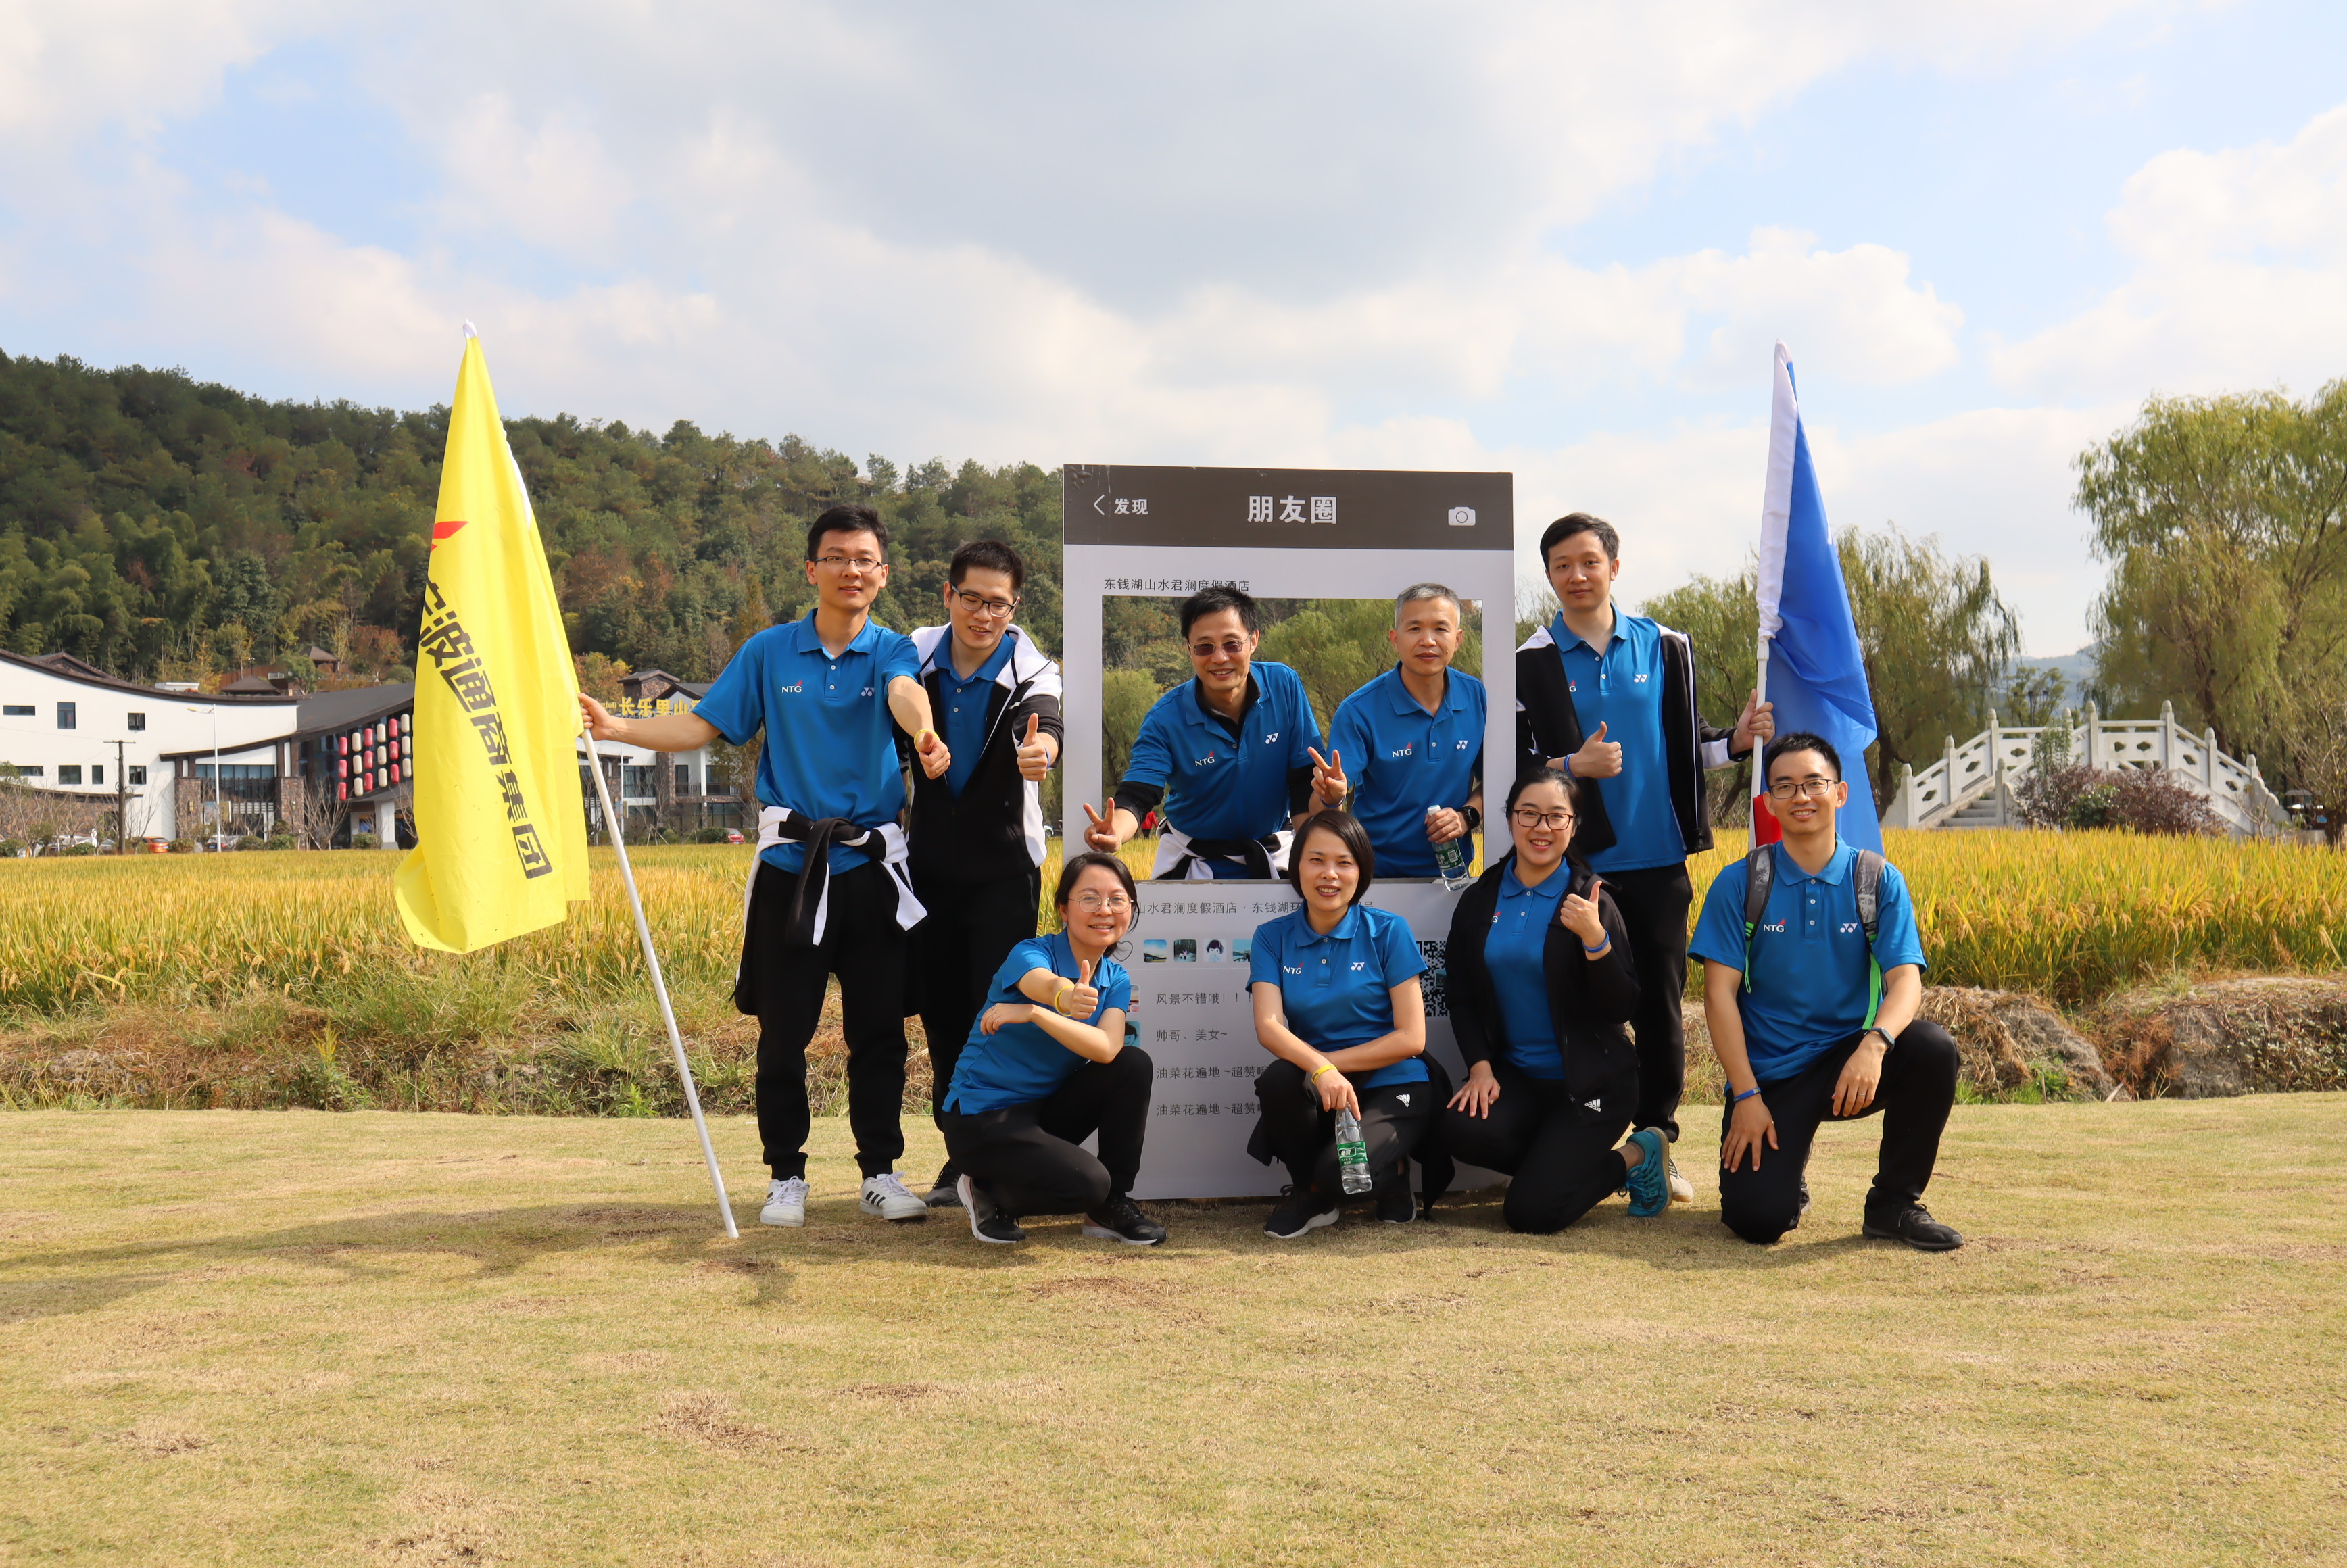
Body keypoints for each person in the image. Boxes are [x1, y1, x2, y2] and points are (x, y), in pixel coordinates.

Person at [579, 502, 947, 1230]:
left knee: (880, 1033)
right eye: (836, 557)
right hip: (791, 868)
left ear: (883, 574)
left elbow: (905, 695)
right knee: (783, 1035)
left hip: (872, 871)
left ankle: (879, 1172)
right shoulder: (769, 652)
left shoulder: (892, 650)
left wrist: (926, 731)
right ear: (811, 569)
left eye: (864, 559)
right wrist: (617, 726)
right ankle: (786, 1175)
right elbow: (703, 725)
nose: (850, 570)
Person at [1515, 512, 1775, 1204]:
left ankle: (1656, 1138)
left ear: (1614, 567)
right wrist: (1572, 765)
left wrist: (1737, 741)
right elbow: (1511, 764)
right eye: (1562, 565)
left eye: (1588, 562)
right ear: (1548, 575)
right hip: (1578, 867)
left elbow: (1687, 745)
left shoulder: (1665, 645)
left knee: (1659, 1006)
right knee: (1587, 1003)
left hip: (1658, 860)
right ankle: (1583, 1136)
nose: (1576, 576)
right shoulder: (1528, 660)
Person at [1689, 733, 1962, 1250]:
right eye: (1785, 786)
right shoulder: (1741, 883)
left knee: (1932, 1049)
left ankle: (1894, 1205)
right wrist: (1745, 1095)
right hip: (1771, 1075)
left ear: (1840, 793)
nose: (1801, 797)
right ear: (1770, 801)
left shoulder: (1876, 879)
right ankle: (1787, 1174)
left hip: (1848, 1060)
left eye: (1814, 783)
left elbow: (1906, 980)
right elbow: (1718, 996)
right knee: (1757, 1221)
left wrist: (1875, 1045)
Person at [899, 540, 1063, 1207]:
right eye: (972, 599)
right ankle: (958, 1158)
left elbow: (1047, 725)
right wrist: (921, 735)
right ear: (948, 595)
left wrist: (1040, 752)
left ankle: (1001, 1155)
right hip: (929, 871)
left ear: (1014, 606)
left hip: (1004, 873)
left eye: (999, 603)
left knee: (998, 1016)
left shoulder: (1034, 669)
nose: (984, 615)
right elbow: (897, 692)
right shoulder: (915, 651)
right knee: (941, 1020)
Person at [1437, 770, 1671, 1231]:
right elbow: (1461, 995)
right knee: (1458, 1128)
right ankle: (1553, 1168)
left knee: (1531, 1213)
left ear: (1574, 825)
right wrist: (1480, 1067)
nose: (1541, 828)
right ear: (1509, 819)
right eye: (1529, 814)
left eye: (1556, 816)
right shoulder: (1481, 899)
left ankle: (1636, 1154)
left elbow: (1622, 1007)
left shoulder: (1591, 900)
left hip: (1593, 1083)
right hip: (1521, 1080)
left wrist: (1596, 941)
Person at [942, 852, 1165, 1246]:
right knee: (1089, 1183)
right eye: (1089, 898)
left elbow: (1107, 1049)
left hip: (1042, 1112)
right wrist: (1063, 999)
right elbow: (1044, 984)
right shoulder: (1030, 953)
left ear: (1131, 909)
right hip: (983, 1118)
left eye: (1117, 899)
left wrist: (1034, 1014)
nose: (1105, 910)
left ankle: (1111, 1205)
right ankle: (987, 1189)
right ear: (1063, 908)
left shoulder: (1116, 978)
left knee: (1133, 1064)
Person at [1245, 810, 1434, 1238]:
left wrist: (1327, 1064)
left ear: (1361, 871)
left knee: (1340, 1175)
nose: (1329, 874)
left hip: (1393, 1082)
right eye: (1316, 860)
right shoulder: (1271, 937)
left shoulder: (1389, 931)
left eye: (1344, 862)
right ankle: (1309, 1194)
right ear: (1297, 867)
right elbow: (1269, 1026)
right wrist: (1321, 1069)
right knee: (1279, 1079)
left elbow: (1412, 1038)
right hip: (1323, 1084)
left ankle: (1394, 1175)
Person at [1082, 585, 1336, 879]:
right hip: (1193, 861)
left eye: (1232, 644)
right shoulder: (1165, 718)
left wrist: (1314, 852)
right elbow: (1138, 794)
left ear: (1253, 640)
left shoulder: (1284, 685)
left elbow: (1304, 782)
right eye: (1205, 647)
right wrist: (1115, 832)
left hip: (1272, 854)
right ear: (1188, 649)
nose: (1219, 658)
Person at [1323, 583, 1486, 879]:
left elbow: (1499, 781)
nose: (1428, 640)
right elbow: (1325, 805)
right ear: (1395, 639)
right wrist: (1332, 798)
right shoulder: (1359, 710)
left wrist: (1467, 816)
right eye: (1415, 629)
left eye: (1441, 628)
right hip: (1375, 877)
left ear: (1458, 639)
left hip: (1455, 877)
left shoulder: (1478, 697)